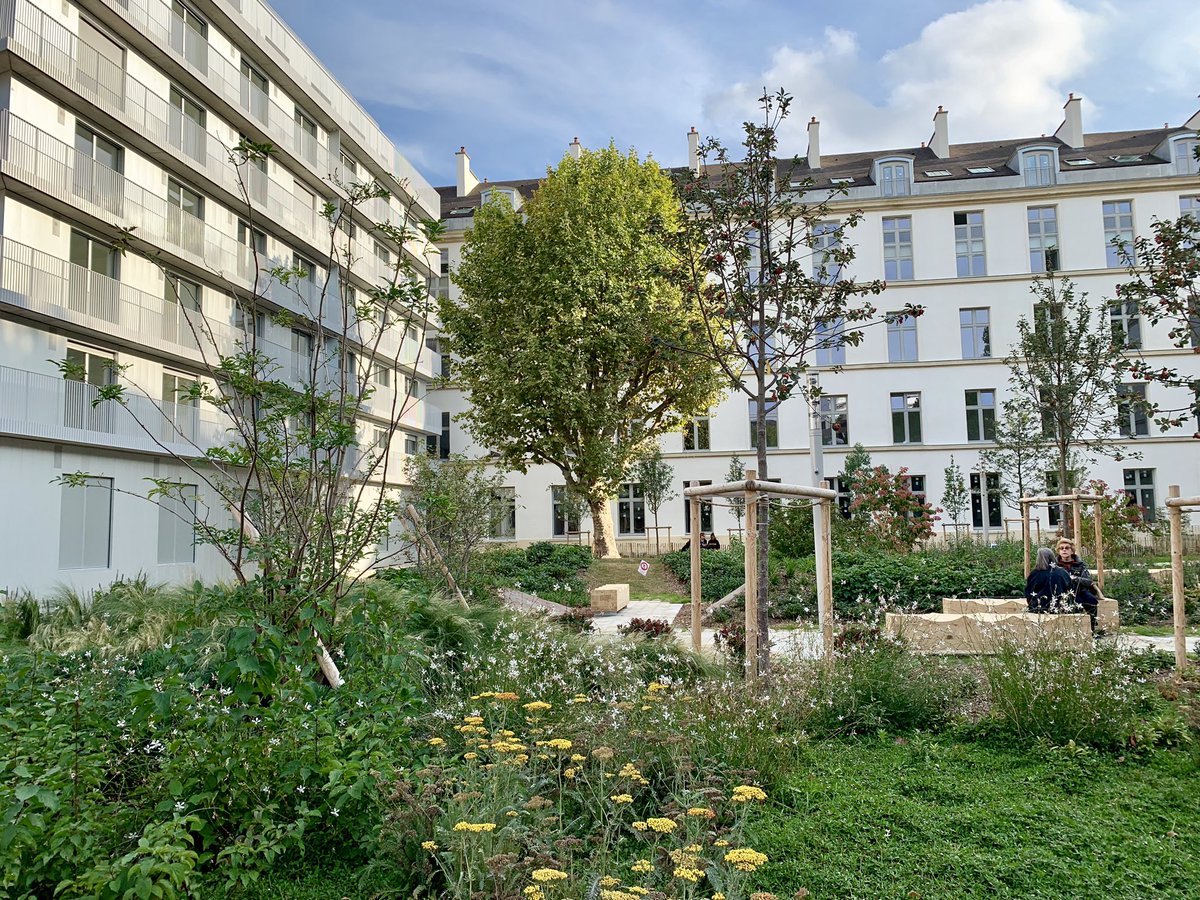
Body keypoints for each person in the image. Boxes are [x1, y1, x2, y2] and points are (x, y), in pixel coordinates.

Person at [1056, 536, 1100, 630]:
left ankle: (1092, 628)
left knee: (1091, 601)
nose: (1064, 550)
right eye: (1061, 548)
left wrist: (1075, 578)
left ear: (1072, 551)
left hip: (1079, 590)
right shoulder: (1055, 565)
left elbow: (1088, 581)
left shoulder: (1080, 565)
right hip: (1063, 592)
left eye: (1067, 548)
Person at [1025, 548, 1071, 613]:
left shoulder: (1036, 573)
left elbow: (1029, 592)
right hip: (1061, 606)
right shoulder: (1062, 572)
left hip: (1040, 607)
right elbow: (1069, 588)